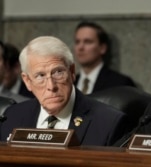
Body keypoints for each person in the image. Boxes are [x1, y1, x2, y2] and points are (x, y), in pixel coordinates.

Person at [0, 36, 128, 146]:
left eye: (58, 72)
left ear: (72, 72)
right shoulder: (12, 117)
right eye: (40, 76)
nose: (51, 86)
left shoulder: (109, 122)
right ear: (27, 81)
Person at [74, 21, 136, 94]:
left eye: (88, 42)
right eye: (77, 42)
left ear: (102, 48)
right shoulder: (70, 83)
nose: (80, 47)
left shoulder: (120, 84)